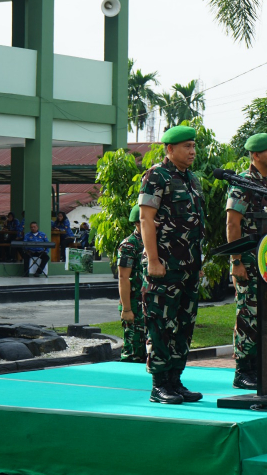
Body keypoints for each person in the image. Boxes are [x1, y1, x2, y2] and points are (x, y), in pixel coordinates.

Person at [139, 125, 205, 404]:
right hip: (164, 265)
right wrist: (153, 260)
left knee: (184, 324)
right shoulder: (157, 175)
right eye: (186, 147)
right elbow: (146, 219)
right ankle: (159, 384)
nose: (192, 151)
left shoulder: (191, 179)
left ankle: (175, 381)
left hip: (189, 266)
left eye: (193, 146)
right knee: (161, 324)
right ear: (170, 149)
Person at [226, 132, 267, 390]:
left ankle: (261, 368)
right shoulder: (244, 183)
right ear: (256, 154)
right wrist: (236, 260)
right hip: (248, 261)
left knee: (265, 316)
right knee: (247, 315)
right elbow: (232, 222)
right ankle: (243, 371)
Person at [117, 205, 146, 364]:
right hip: (134, 305)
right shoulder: (129, 245)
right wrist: (127, 309)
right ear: (137, 223)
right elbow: (123, 278)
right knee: (133, 354)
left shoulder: (154, 243)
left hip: (150, 305)